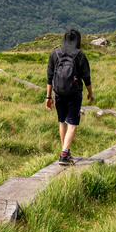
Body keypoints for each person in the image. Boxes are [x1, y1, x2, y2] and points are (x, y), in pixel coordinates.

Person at [45, 28, 93, 164]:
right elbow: (86, 77)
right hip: (74, 93)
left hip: (58, 93)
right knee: (72, 123)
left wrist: (48, 97)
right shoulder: (79, 55)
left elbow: (49, 77)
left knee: (62, 122)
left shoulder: (55, 53)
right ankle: (64, 154)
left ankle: (65, 151)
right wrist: (90, 93)